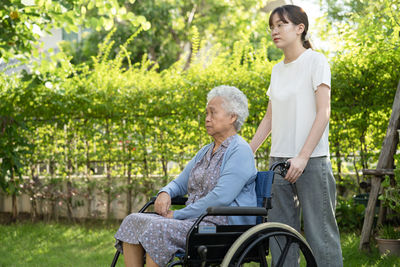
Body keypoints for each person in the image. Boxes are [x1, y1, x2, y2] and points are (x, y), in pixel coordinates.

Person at [114, 85, 257, 267]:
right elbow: (180, 183)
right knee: (133, 220)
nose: (207, 119)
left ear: (232, 117)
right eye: (206, 113)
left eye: (213, 113)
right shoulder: (206, 151)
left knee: (159, 228)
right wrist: (165, 192)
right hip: (194, 221)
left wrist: (179, 214)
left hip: (220, 226)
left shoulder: (240, 150)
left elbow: (220, 198)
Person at [249, 5, 343, 267]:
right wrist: (248, 150)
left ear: (300, 28)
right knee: (280, 237)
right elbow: (270, 118)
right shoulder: (277, 70)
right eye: (272, 27)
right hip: (278, 163)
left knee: (321, 236)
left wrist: (302, 157)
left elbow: (323, 113)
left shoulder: (316, 61)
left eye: (281, 25)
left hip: (311, 161)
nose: (274, 31)